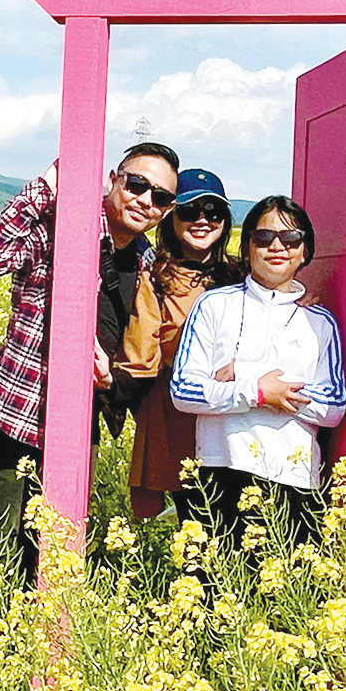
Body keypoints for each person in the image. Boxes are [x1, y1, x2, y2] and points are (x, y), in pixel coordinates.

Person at [0, 141, 180, 583]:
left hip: (81, 423)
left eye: (160, 197)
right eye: (137, 185)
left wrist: (110, 379)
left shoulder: (145, 260)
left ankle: (47, 623)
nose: (145, 201)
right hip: (20, 413)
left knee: (57, 547)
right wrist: (46, 187)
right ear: (114, 180)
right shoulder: (58, 229)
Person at [169, 195, 346, 551]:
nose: (277, 247)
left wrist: (247, 374)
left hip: (294, 480)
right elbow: (184, 390)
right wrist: (258, 392)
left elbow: (333, 406)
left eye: (290, 238)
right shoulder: (214, 305)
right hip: (220, 472)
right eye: (264, 237)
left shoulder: (320, 322)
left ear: (305, 251)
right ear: (248, 247)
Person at [114, 169, 242, 521]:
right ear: (171, 217)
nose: (202, 220)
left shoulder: (242, 275)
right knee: (196, 519)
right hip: (178, 421)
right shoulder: (154, 277)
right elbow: (142, 354)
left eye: (213, 211)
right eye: (189, 211)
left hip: (237, 414)